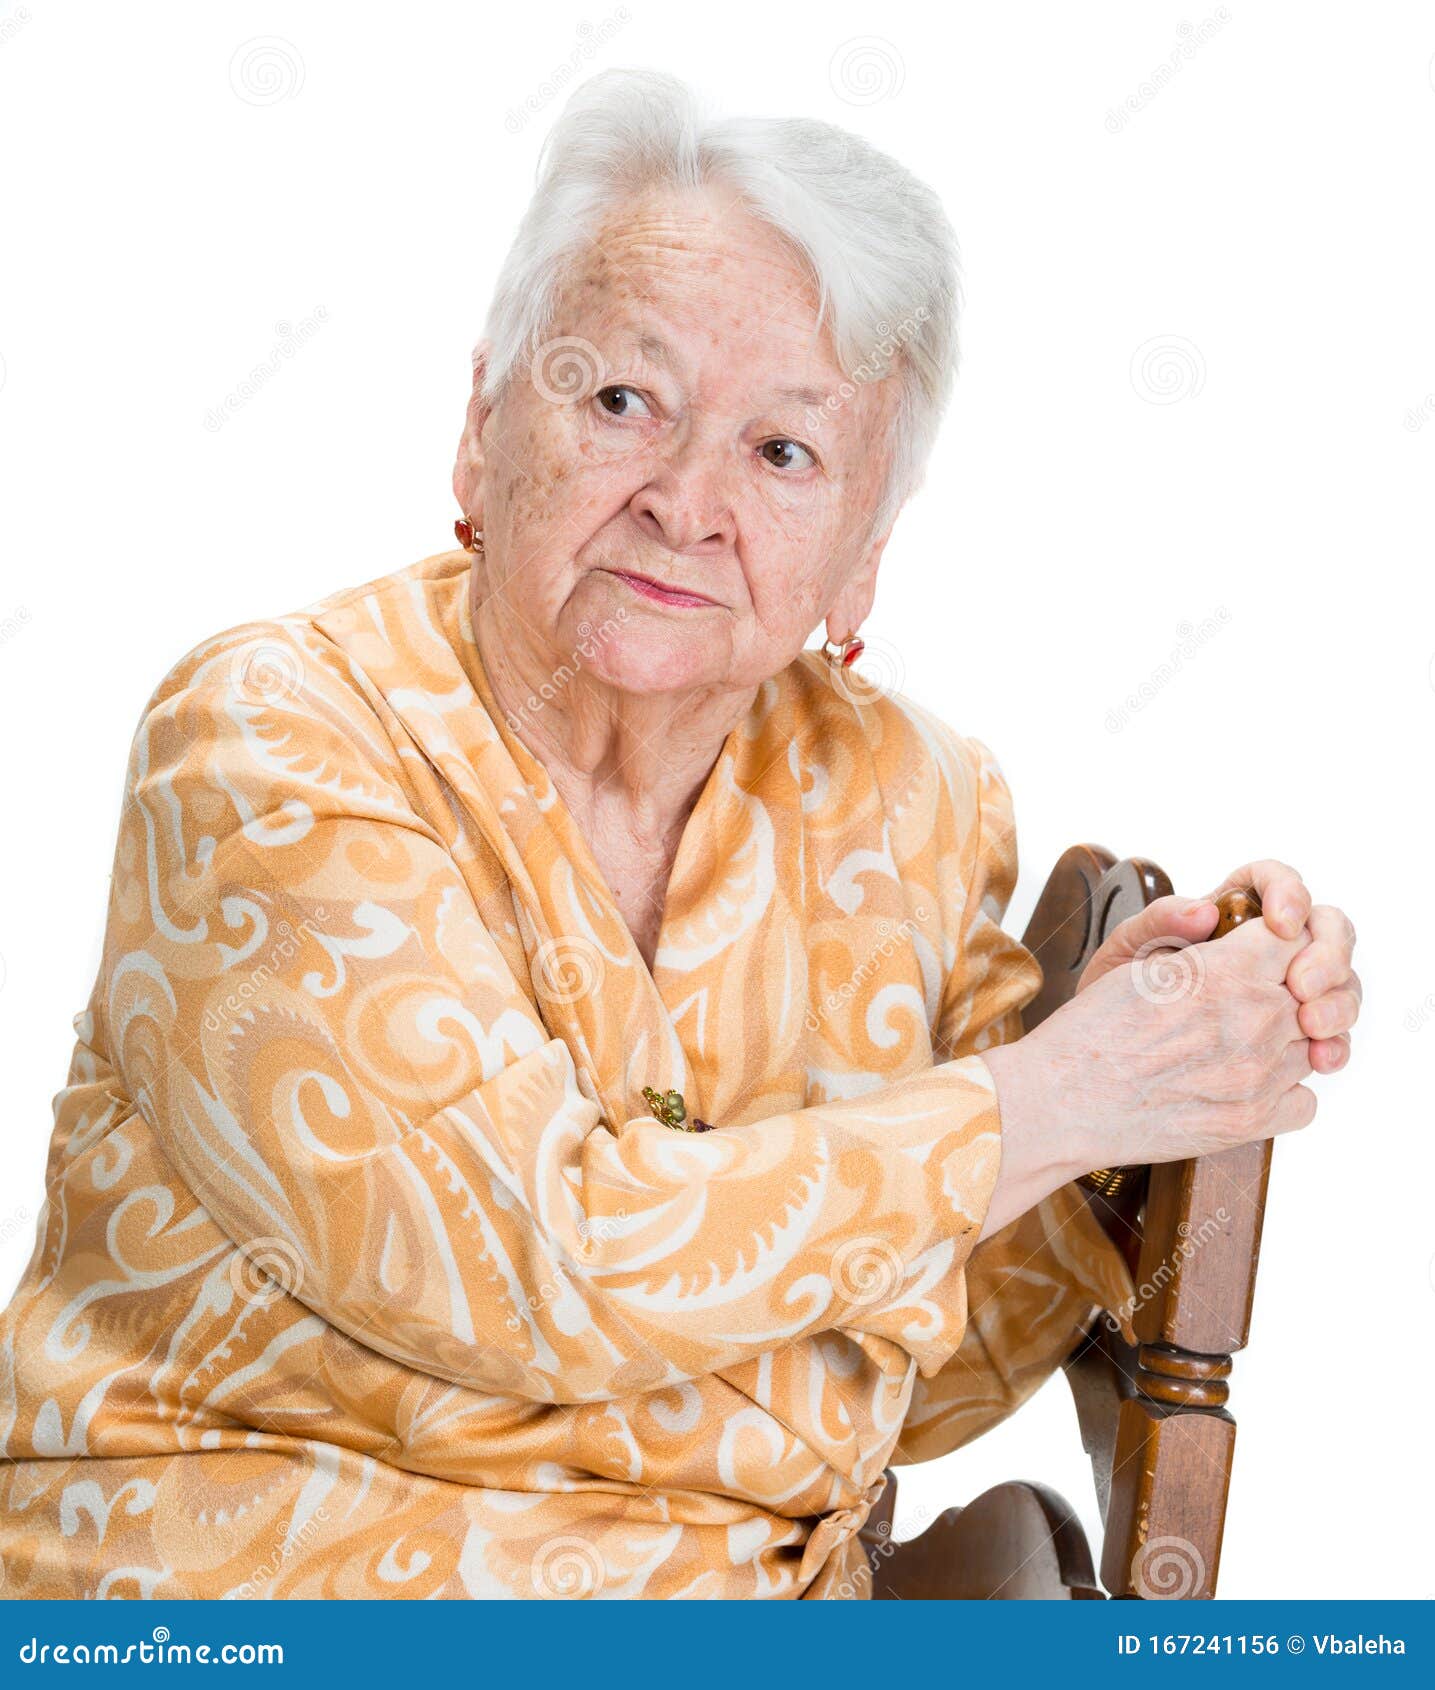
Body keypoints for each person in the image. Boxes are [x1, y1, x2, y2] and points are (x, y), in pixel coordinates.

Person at [0, 69, 1359, 1599]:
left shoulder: (912, 796)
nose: (686, 503)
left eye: (784, 454)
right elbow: (532, 1268)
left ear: (862, 559)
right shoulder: (269, 737)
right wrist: (1033, 1104)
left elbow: (926, 1363)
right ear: (481, 430)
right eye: (623, 401)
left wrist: (1135, 1071)